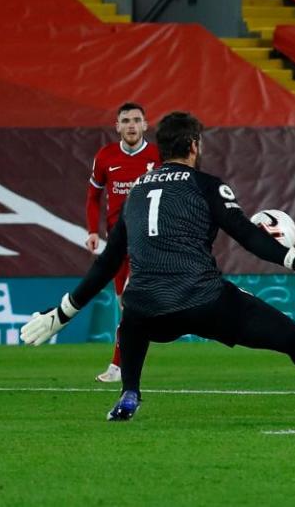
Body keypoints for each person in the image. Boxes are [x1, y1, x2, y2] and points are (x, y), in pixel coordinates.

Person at [21, 112, 295, 423]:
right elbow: (246, 234)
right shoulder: (206, 185)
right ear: (194, 144)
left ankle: (129, 393)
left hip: (148, 310)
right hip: (205, 301)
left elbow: (108, 262)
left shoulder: (136, 192)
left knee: (133, 315)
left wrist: (62, 313)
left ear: (160, 149)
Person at [85, 102, 161, 383]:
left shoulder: (157, 156)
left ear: (145, 125)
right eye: (126, 120)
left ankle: (119, 367)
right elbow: (93, 196)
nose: (131, 125)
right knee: (125, 307)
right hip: (119, 246)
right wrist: (93, 231)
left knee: (131, 304)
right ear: (117, 126)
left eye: (136, 120)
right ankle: (123, 361)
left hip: (148, 243)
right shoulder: (105, 157)